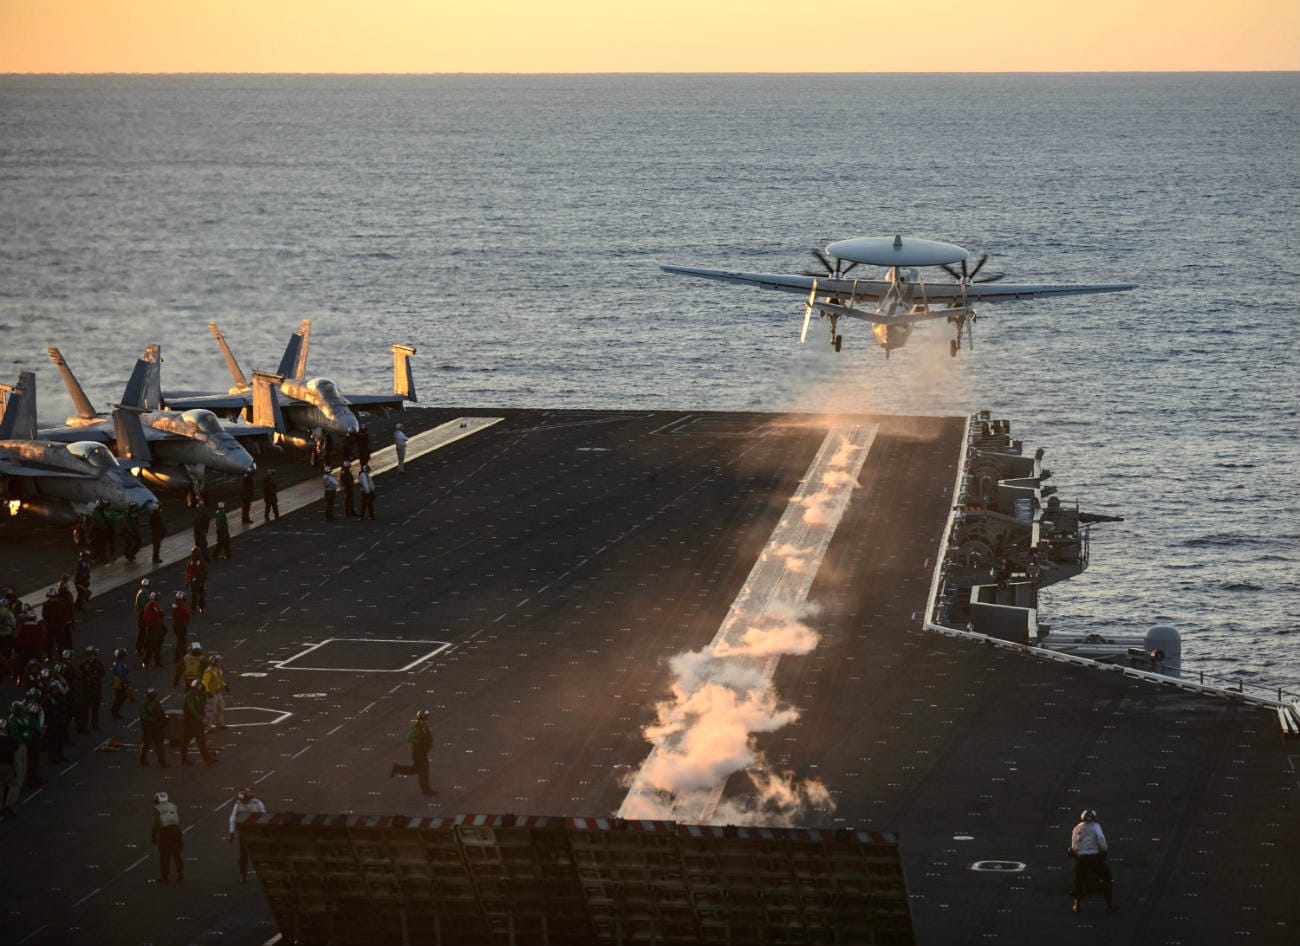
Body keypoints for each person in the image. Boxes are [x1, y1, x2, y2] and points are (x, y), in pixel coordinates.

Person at [1070, 808, 1117, 914]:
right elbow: (1101, 840)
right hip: (1094, 857)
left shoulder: (1076, 828)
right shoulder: (1096, 826)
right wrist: (1104, 851)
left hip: (1081, 858)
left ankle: (1077, 904)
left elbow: (1073, 846)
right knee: (1107, 878)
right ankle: (1109, 906)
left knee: (1078, 880)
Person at [390, 709, 436, 796]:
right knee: (423, 772)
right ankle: (426, 791)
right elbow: (409, 738)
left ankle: (398, 768)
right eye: (423, 719)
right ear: (419, 720)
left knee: (416, 770)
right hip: (418, 753)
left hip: (423, 752)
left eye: (426, 719)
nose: (425, 721)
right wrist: (419, 741)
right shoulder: (416, 729)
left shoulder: (425, 727)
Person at [227, 788, 267, 882]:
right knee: (243, 855)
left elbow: (264, 815)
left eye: (243, 800)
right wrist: (231, 832)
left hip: (256, 831)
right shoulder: (237, 805)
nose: (242, 801)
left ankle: (264, 875)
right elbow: (232, 818)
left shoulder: (257, 803)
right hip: (244, 832)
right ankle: (242, 874)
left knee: (261, 855)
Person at [180, 679, 216, 766]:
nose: (201, 687)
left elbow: (202, 705)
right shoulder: (191, 696)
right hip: (192, 721)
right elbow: (192, 709)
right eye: (200, 686)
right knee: (199, 740)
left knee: (187, 740)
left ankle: (184, 760)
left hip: (195, 720)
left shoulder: (199, 695)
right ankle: (206, 760)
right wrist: (201, 718)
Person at [151, 791, 184, 883]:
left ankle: (165, 877)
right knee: (177, 853)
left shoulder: (157, 808)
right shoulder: (173, 806)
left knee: (165, 855)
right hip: (177, 830)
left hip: (165, 832)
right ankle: (180, 871)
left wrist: (153, 835)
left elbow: (156, 823)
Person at [138, 688, 169, 767]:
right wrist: (155, 719)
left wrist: (164, 719)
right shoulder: (144, 705)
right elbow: (144, 716)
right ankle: (142, 760)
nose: (153, 696)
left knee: (159, 744)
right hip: (148, 727)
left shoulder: (156, 703)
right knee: (146, 744)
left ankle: (162, 762)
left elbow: (161, 712)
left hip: (157, 726)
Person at [0, 717, 23, 817]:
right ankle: (8, 806)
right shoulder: (9, 739)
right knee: (14, 786)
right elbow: (16, 747)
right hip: (7, 766)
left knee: (0, 786)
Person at [79, 645, 105, 732]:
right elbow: (79, 676)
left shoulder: (98, 663)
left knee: (95, 709)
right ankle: (84, 725)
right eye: (90, 655)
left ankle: (95, 724)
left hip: (96, 688)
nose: (91, 657)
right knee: (85, 709)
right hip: (86, 690)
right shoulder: (83, 664)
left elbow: (102, 673)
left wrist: (97, 670)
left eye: (93, 655)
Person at [202, 654, 229, 728]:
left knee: (220, 707)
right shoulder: (209, 671)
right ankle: (207, 726)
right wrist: (207, 691)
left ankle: (220, 724)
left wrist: (224, 685)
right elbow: (204, 683)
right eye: (217, 661)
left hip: (218, 692)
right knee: (210, 710)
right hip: (212, 693)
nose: (219, 662)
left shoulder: (218, 669)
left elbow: (220, 679)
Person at [141, 592, 167, 668]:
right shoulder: (150, 606)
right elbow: (147, 618)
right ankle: (145, 662)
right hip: (152, 629)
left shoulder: (155, 605)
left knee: (158, 646)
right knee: (150, 647)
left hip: (158, 629)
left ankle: (157, 662)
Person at [170, 592, 191, 665]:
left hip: (176, 625)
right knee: (181, 641)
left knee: (181, 640)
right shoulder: (181, 606)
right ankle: (178, 657)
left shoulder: (175, 605)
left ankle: (183, 653)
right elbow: (187, 614)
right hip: (181, 626)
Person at [133, 578, 152, 656]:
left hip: (141, 614)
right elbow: (145, 606)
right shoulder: (143, 593)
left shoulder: (142, 592)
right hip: (143, 615)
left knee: (142, 632)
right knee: (142, 632)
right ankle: (139, 648)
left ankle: (141, 647)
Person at [185, 548, 207, 614]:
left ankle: (201, 607)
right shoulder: (190, 562)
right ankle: (193, 608)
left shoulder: (202, 562)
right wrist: (187, 580)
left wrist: (202, 580)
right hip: (193, 581)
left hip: (200, 581)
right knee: (194, 595)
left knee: (201, 595)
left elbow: (205, 572)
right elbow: (188, 572)